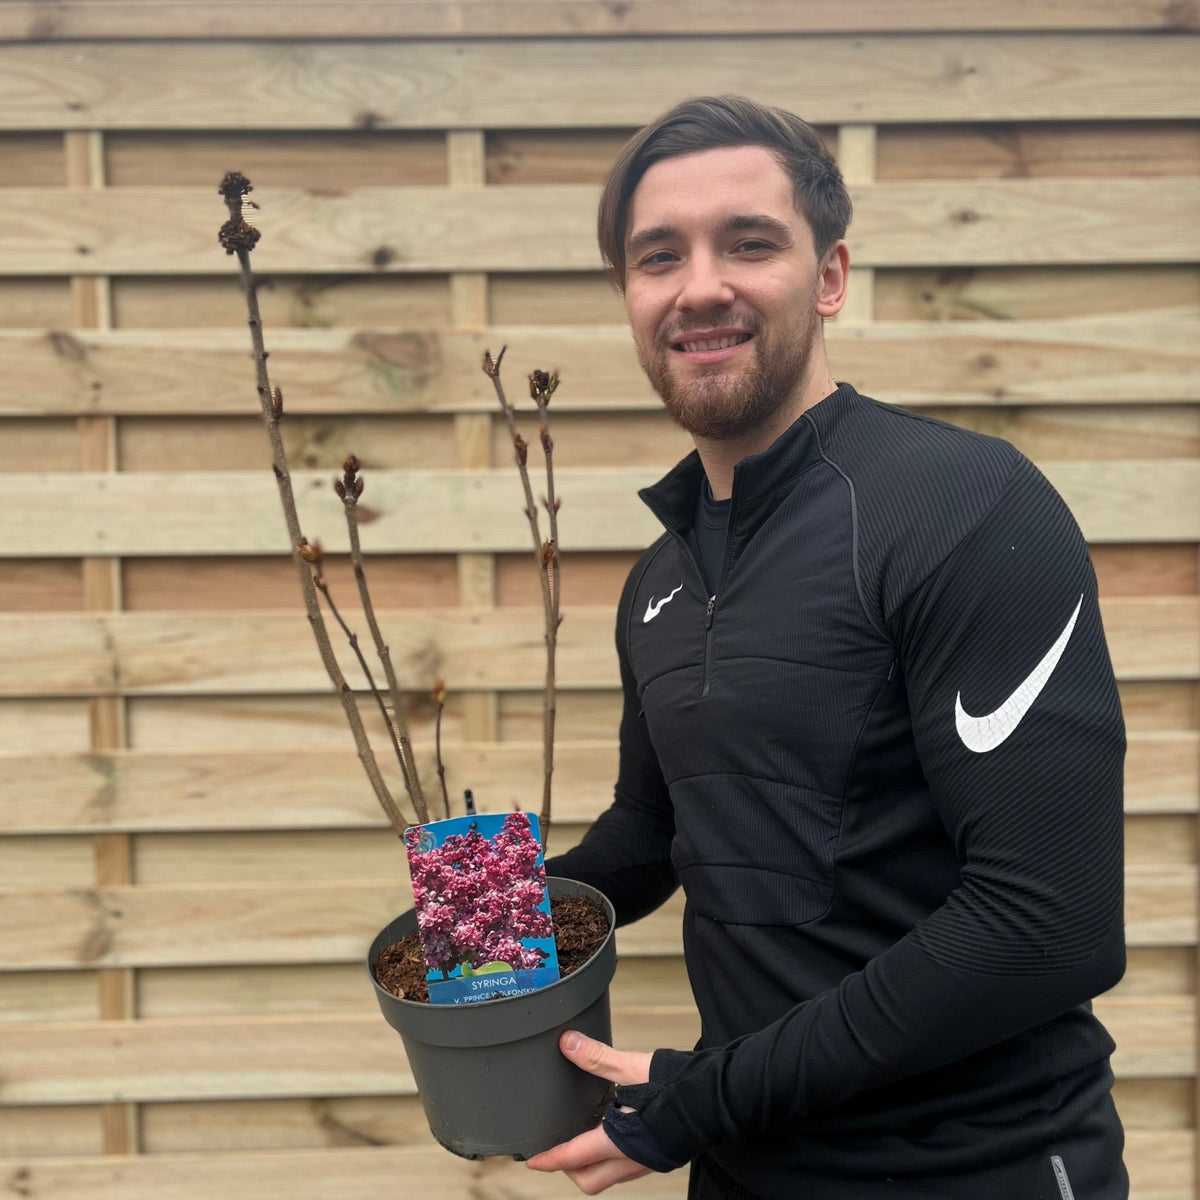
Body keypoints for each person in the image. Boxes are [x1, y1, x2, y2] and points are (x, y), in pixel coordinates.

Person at [532, 95, 1128, 1199]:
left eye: (748, 243)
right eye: (659, 256)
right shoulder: (661, 578)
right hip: (750, 1168)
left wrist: (705, 1097)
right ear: (630, 296)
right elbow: (656, 834)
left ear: (831, 276)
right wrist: (487, 916)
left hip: (977, 1172)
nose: (699, 286)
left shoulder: (965, 507)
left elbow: (1049, 924)